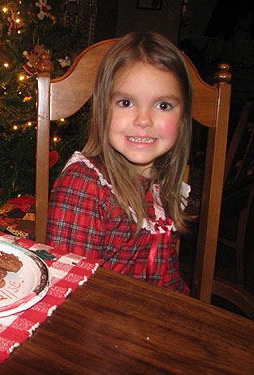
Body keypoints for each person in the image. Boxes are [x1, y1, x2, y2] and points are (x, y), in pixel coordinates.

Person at [46, 31, 191, 294]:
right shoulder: (84, 186)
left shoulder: (163, 186)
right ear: (103, 109)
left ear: (183, 118)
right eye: (126, 102)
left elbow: (168, 283)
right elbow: (68, 291)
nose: (144, 120)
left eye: (164, 105)